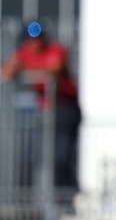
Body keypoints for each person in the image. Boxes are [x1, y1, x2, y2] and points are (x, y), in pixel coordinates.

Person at [1, 21, 82, 204]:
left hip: (65, 110)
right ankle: (31, 203)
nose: (35, 43)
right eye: (31, 39)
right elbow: (6, 71)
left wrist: (27, 69)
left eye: (38, 38)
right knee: (33, 157)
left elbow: (55, 68)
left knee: (62, 158)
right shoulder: (24, 53)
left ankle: (65, 202)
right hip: (44, 112)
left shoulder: (55, 50)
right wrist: (22, 68)